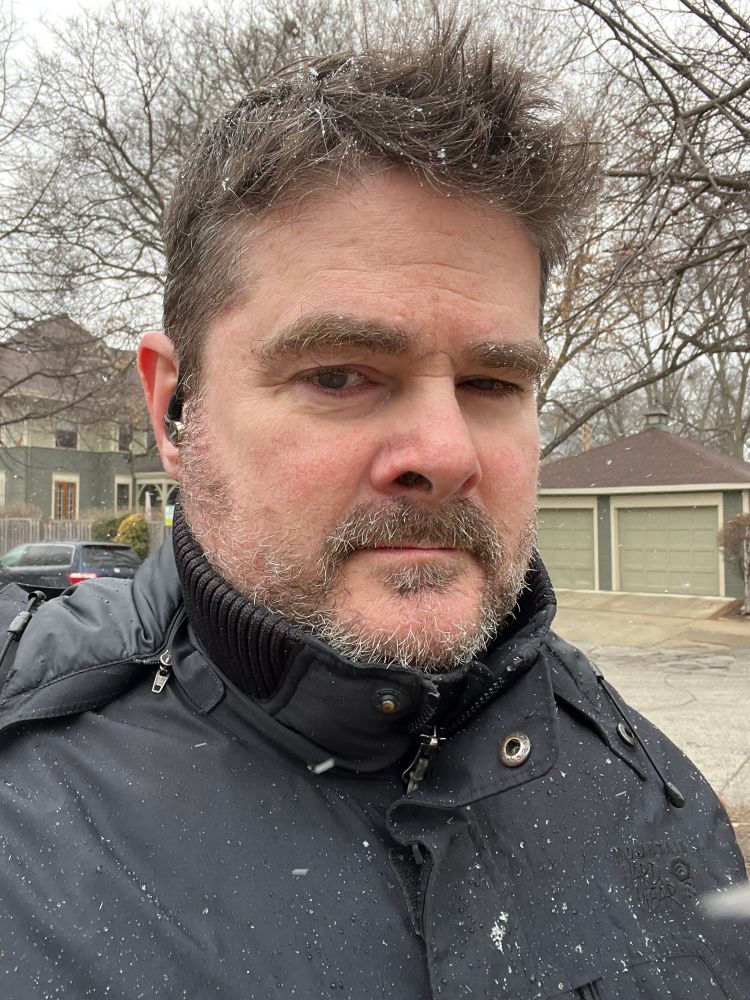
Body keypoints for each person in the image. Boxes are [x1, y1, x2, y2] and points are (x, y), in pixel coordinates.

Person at [0, 15, 747, 999]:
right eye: (342, 373)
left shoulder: (654, 802)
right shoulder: (28, 828)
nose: (444, 454)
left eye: (490, 382)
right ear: (174, 409)